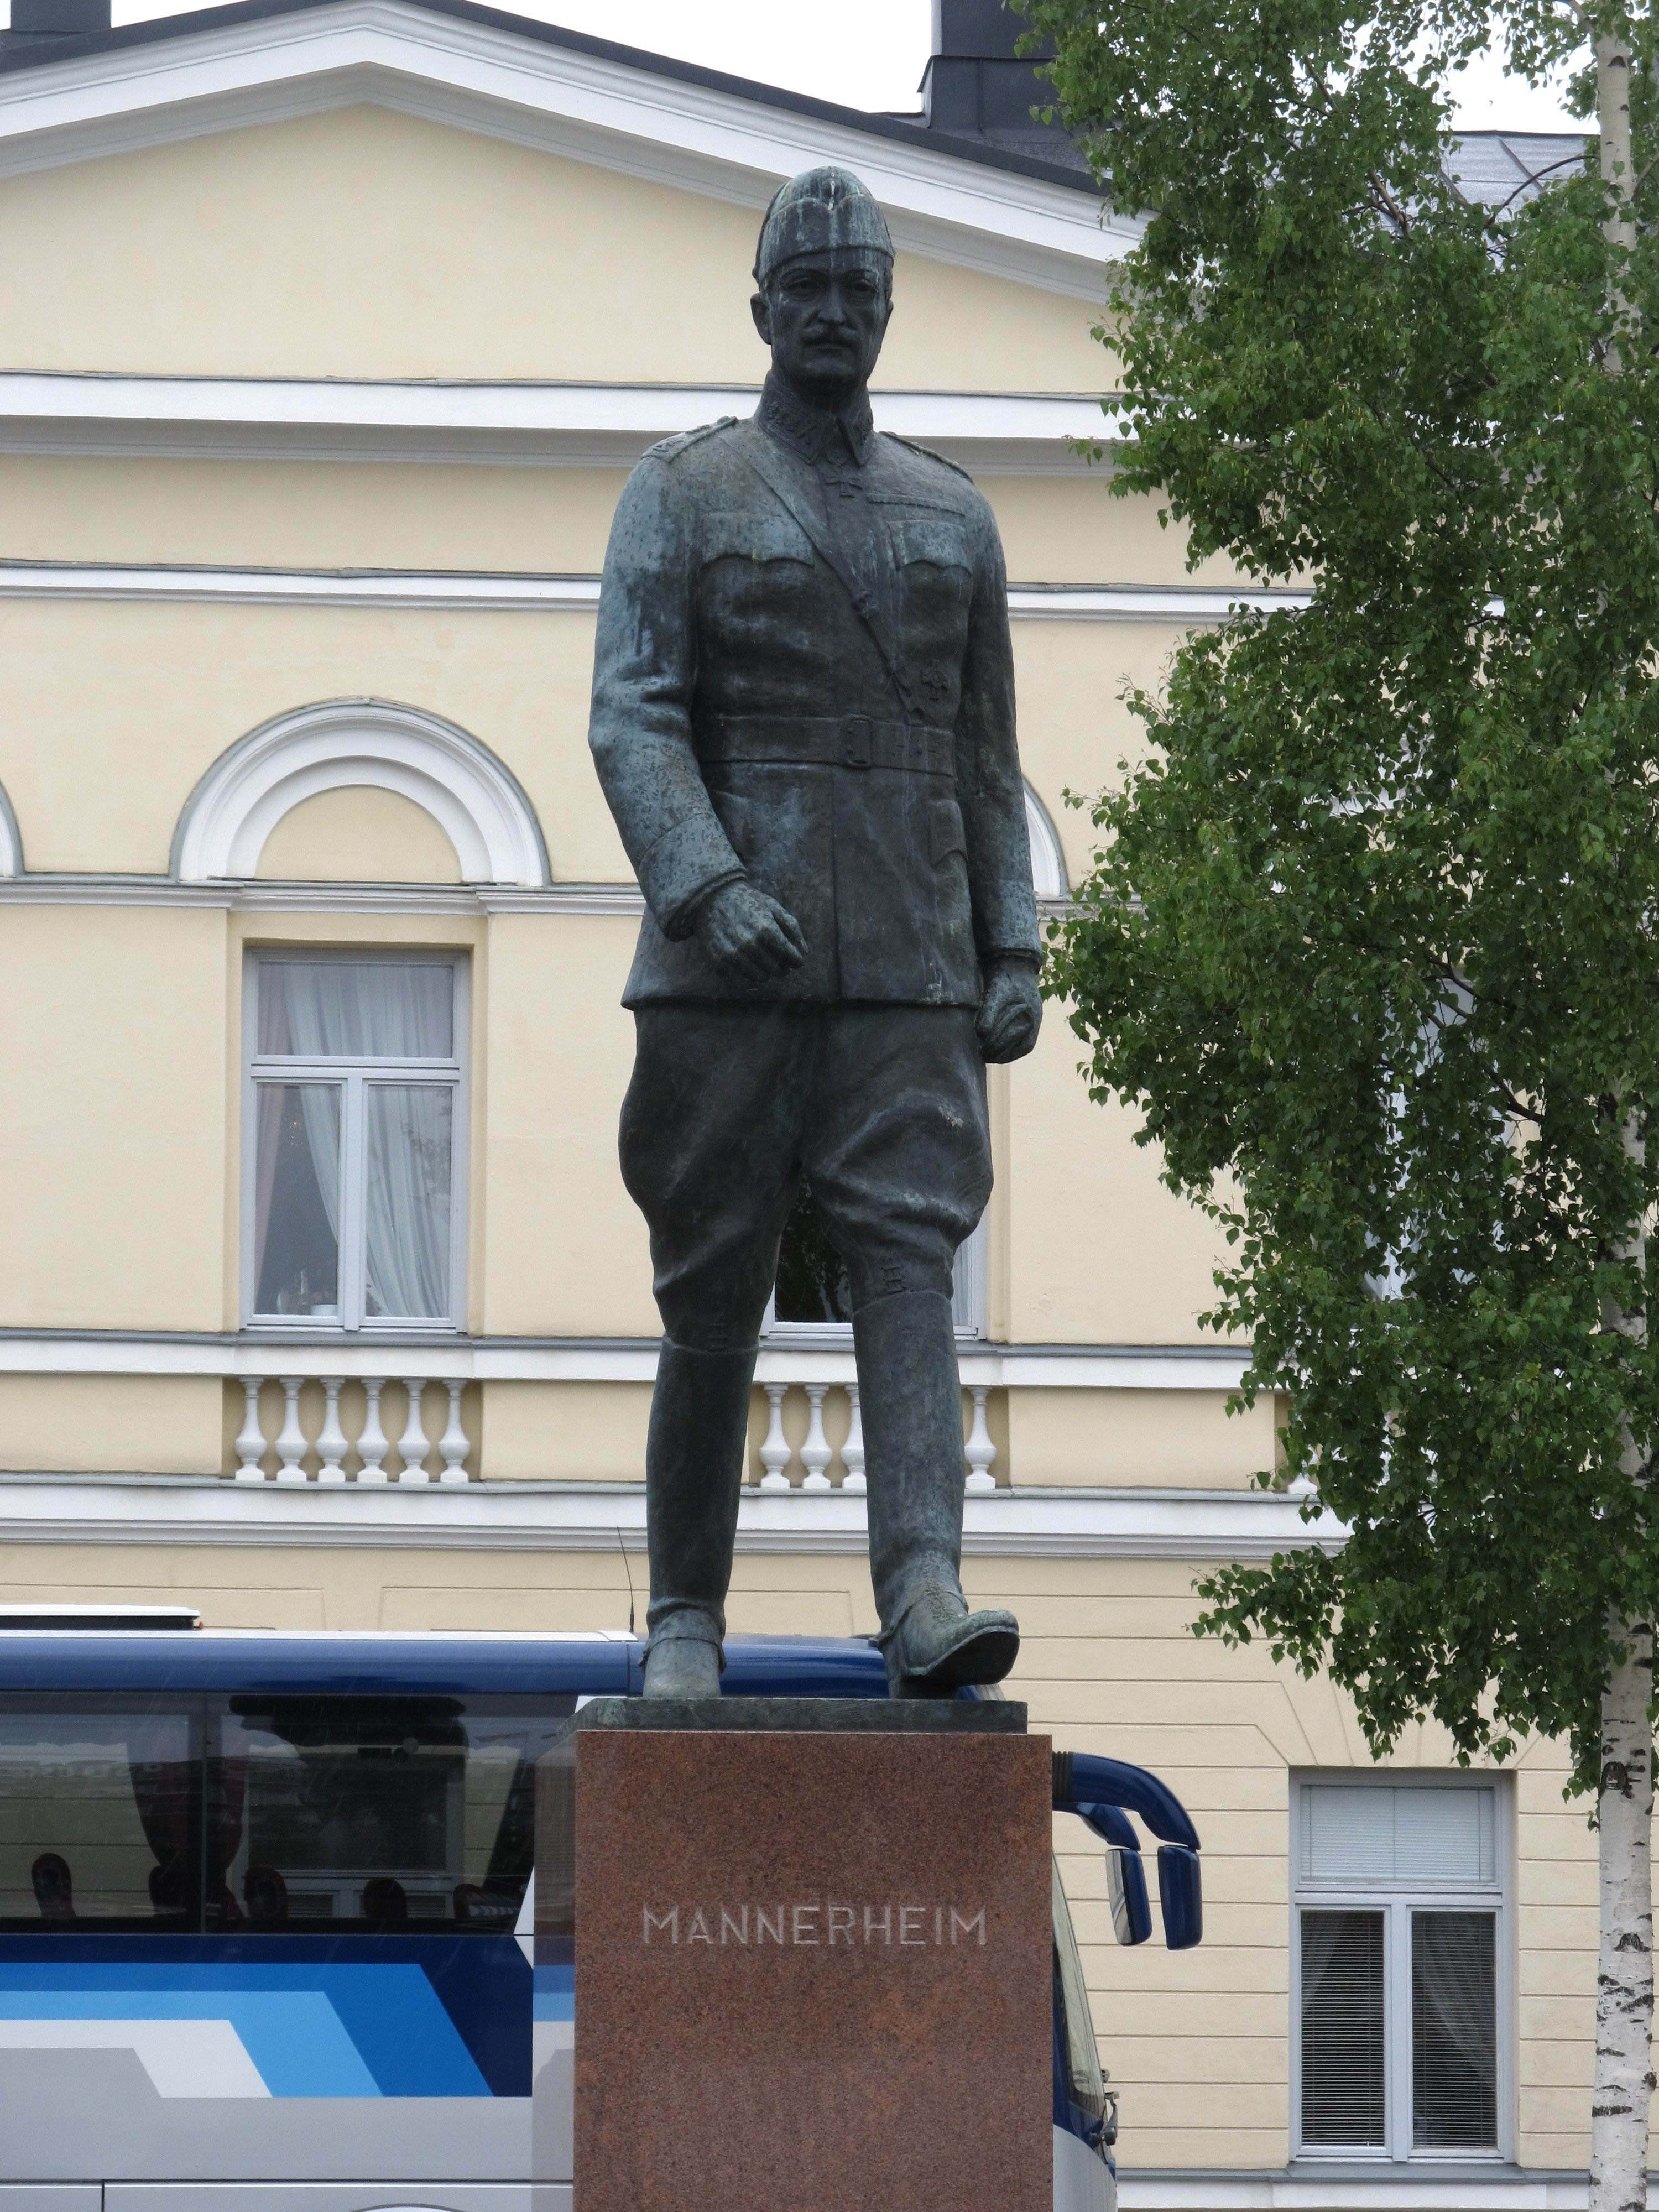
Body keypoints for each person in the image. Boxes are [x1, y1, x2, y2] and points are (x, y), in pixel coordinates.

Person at [588, 166, 1042, 1698]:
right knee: (712, 1284)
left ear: (888, 314)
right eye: (811, 289)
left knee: (909, 1260)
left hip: (907, 953)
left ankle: (923, 1587)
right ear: (764, 308)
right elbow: (634, 717)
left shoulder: (954, 514)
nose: (836, 313)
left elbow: (987, 755)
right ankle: (683, 1617)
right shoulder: (686, 491)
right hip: (731, 965)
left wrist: (1014, 941)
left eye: (862, 292)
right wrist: (711, 885)